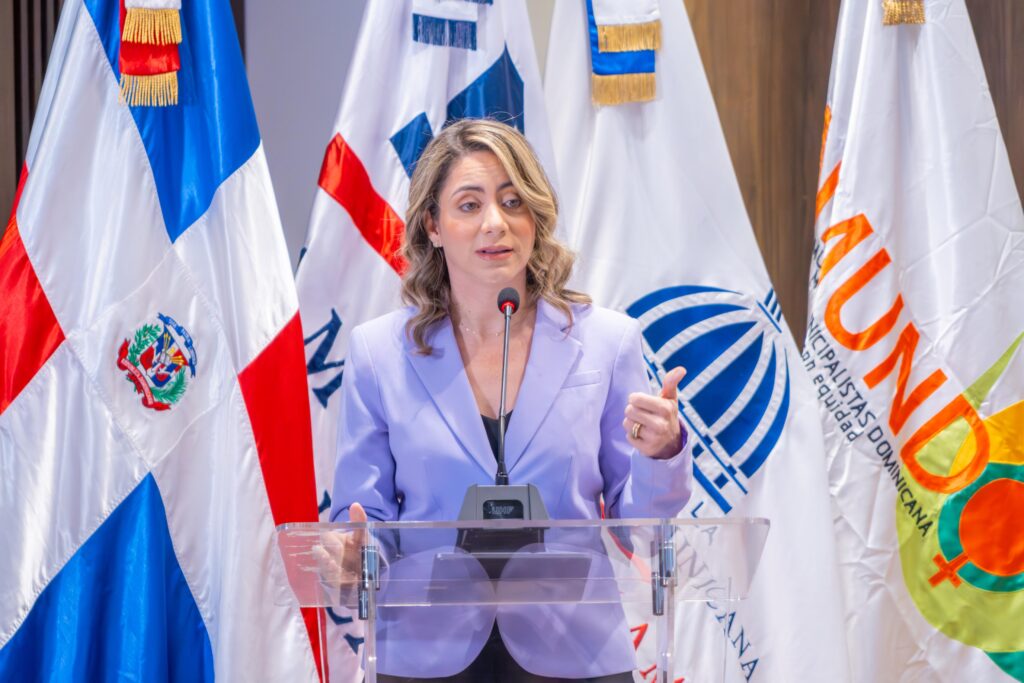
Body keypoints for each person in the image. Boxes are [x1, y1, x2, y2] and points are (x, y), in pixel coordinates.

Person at [326, 118, 693, 682]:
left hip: (575, 651)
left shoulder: (607, 341)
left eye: (512, 201)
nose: (494, 222)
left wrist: (661, 453)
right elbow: (362, 520)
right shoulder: (378, 353)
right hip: (426, 654)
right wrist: (354, 555)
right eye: (469, 205)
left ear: (534, 218)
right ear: (434, 225)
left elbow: (636, 526)